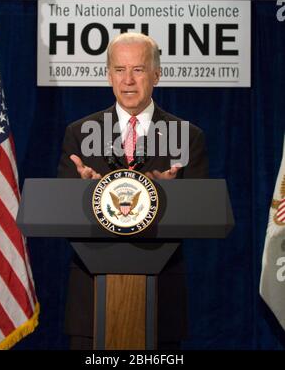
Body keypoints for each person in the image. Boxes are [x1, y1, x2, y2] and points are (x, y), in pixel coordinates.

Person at [58, 32, 208, 350]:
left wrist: (172, 199)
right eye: (120, 69)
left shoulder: (187, 136)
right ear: (108, 74)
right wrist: (83, 192)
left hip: (159, 301)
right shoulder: (79, 134)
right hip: (92, 301)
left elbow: (201, 212)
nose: (128, 80)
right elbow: (62, 212)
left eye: (138, 70)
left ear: (156, 74)